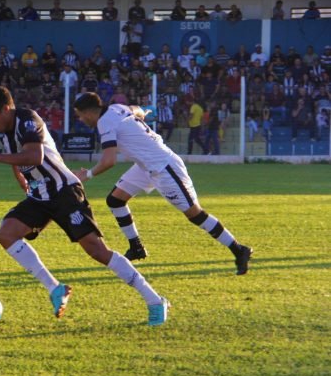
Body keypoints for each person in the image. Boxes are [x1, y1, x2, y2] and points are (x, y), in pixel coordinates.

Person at [0, 85, 171, 326]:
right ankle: (55, 289)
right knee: (6, 234)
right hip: (40, 196)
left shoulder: (27, 120)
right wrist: (21, 179)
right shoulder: (3, 128)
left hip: (65, 192)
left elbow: (35, 156)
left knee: (97, 251)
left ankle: (155, 300)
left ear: (6, 109)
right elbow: (16, 155)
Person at [72, 92, 253, 275]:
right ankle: (136, 247)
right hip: (145, 166)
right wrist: (143, 112)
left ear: (88, 112)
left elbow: (109, 161)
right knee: (115, 200)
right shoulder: (117, 108)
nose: (80, 119)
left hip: (163, 167)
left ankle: (239, 250)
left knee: (194, 214)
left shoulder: (105, 122)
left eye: (79, 115)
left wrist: (86, 175)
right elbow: (137, 110)